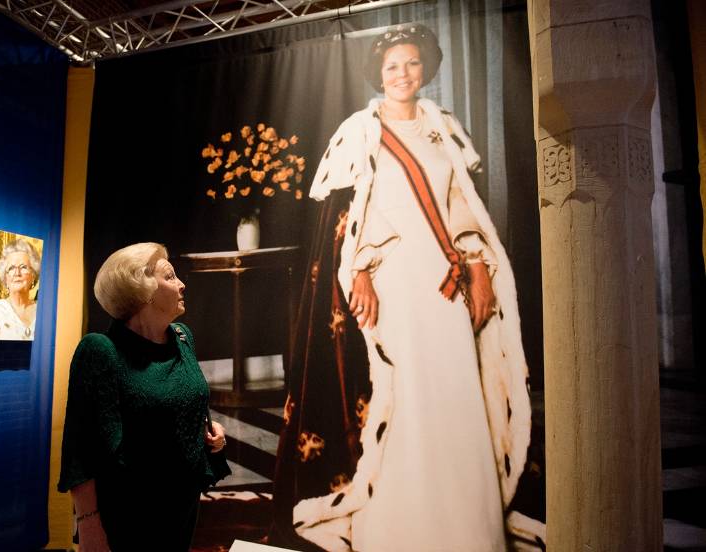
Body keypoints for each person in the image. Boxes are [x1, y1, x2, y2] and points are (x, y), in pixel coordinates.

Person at [270, 25, 531, 551]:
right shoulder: (357, 132)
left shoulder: (444, 128)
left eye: (412, 64)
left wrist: (477, 268)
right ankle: (401, 524)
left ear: (425, 69)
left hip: (443, 280)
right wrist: (360, 272)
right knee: (404, 393)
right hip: (391, 283)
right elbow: (343, 221)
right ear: (379, 73)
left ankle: (467, 526)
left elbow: (462, 205)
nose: (402, 74)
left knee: (458, 387)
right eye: (392, 66)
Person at [58, 242, 230, 552]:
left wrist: (210, 432)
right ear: (143, 289)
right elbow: (80, 450)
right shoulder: (100, 351)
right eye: (170, 276)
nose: (181, 284)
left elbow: (178, 403)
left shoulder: (181, 337)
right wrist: (89, 525)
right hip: (129, 514)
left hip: (182, 506)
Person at [0, 239, 40, 340]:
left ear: (33, 275)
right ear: (5, 278)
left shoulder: (42, 312)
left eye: (23, 267)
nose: (17, 273)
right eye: (11, 268)